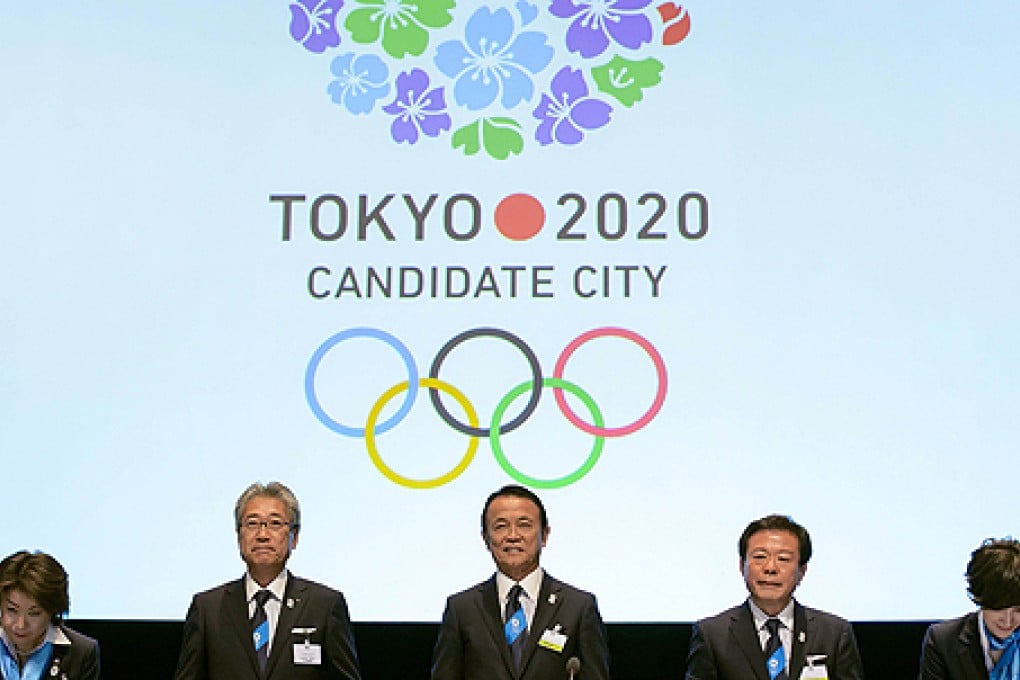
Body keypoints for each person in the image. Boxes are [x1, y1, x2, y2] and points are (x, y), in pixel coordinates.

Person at [173, 481, 360, 680]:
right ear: (238, 535)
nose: (263, 535)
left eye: (275, 523)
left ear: (294, 536)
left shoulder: (324, 606)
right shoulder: (207, 609)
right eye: (252, 524)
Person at [431, 484, 610, 680]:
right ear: (485, 538)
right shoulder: (462, 609)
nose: (513, 536)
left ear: (545, 535)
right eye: (500, 526)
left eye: (524, 525)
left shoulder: (578, 607)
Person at [685, 514, 863, 680]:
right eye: (760, 557)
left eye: (783, 559)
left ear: (802, 571)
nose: (770, 568)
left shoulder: (834, 634)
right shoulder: (712, 635)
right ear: (741, 566)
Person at [919, 537, 1020, 679]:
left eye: (1018, 610)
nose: (1008, 620)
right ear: (979, 597)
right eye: (997, 608)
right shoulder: (943, 641)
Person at [0, 550, 100, 680]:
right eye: (12, 610)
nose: (21, 625)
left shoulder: (81, 653)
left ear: (52, 610)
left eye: (34, 613)